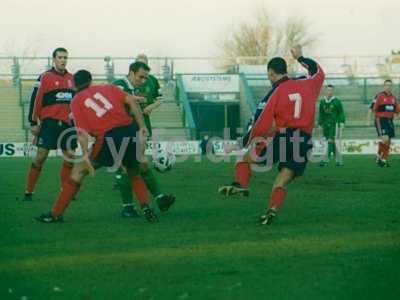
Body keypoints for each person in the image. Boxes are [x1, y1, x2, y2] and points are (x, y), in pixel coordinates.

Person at [218, 45, 325, 226]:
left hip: (284, 138)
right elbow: (318, 73)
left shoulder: (275, 93)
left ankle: (241, 185)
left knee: (245, 158)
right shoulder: (307, 83)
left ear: (272, 73)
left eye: (269, 75)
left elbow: (260, 124)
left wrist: (239, 143)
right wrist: (300, 57)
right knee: (281, 181)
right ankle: (272, 211)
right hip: (304, 141)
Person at [35, 70, 158, 223]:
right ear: (91, 80)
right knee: (134, 171)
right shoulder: (109, 87)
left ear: (74, 84)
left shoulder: (76, 101)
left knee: (78, 172)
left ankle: (55, 214)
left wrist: (86, 155)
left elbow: (82, 133)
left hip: (109, 137)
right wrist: (142, 126)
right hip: (130, 131)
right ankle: (145, 206)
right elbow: (132, 101)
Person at [112, 59, 175, 218]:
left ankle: (159, 199)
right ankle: (128, 207)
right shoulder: (119, 84)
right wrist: (135, 100)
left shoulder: (135, 87)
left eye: (145, 77)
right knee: (124, 169)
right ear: (131, 73)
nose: (143, 81)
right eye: (141, 77)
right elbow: (117, 102)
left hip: (135, 130)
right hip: (119, 132)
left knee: (143, 165)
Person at [22, 47, 76, 201]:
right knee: (40, 157)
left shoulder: (73, 78)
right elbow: (35, 99)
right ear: (54, 59)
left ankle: (65, 190)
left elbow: (77, 102)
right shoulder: (45, 77)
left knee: (70, 156)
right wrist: (33, 122)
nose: (63, 60)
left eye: (65, 57)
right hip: (50, 123)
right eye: (60, 57)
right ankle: (29, 191)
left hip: (68, 124)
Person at [367, 79, 399, 167]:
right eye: (387, 85)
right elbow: (371, 108)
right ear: (384, 86)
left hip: (390, 121)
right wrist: (368, 120)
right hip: (380, 120)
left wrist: (397, 114)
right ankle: (379, 157)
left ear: (392, 86)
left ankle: (383, 159)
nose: (388, 86)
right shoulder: (379, 96)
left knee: (388, 141)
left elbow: (397, 111)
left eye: (390, 85)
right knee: (385, 139)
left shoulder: (393, 98)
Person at [318, 84, 345, 166]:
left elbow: (341, 113)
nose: (329, 92)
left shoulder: (337, 101)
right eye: (328, 90)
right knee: (332, 143)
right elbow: (321, 113)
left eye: (331, 90)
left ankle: (325, 160)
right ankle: (339, 160)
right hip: (326, 125)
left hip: (334, 125)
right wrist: (320, 123)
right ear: (325, 91)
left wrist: (342, 122)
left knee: (330, 141)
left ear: (333, 91)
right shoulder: (322, 101)